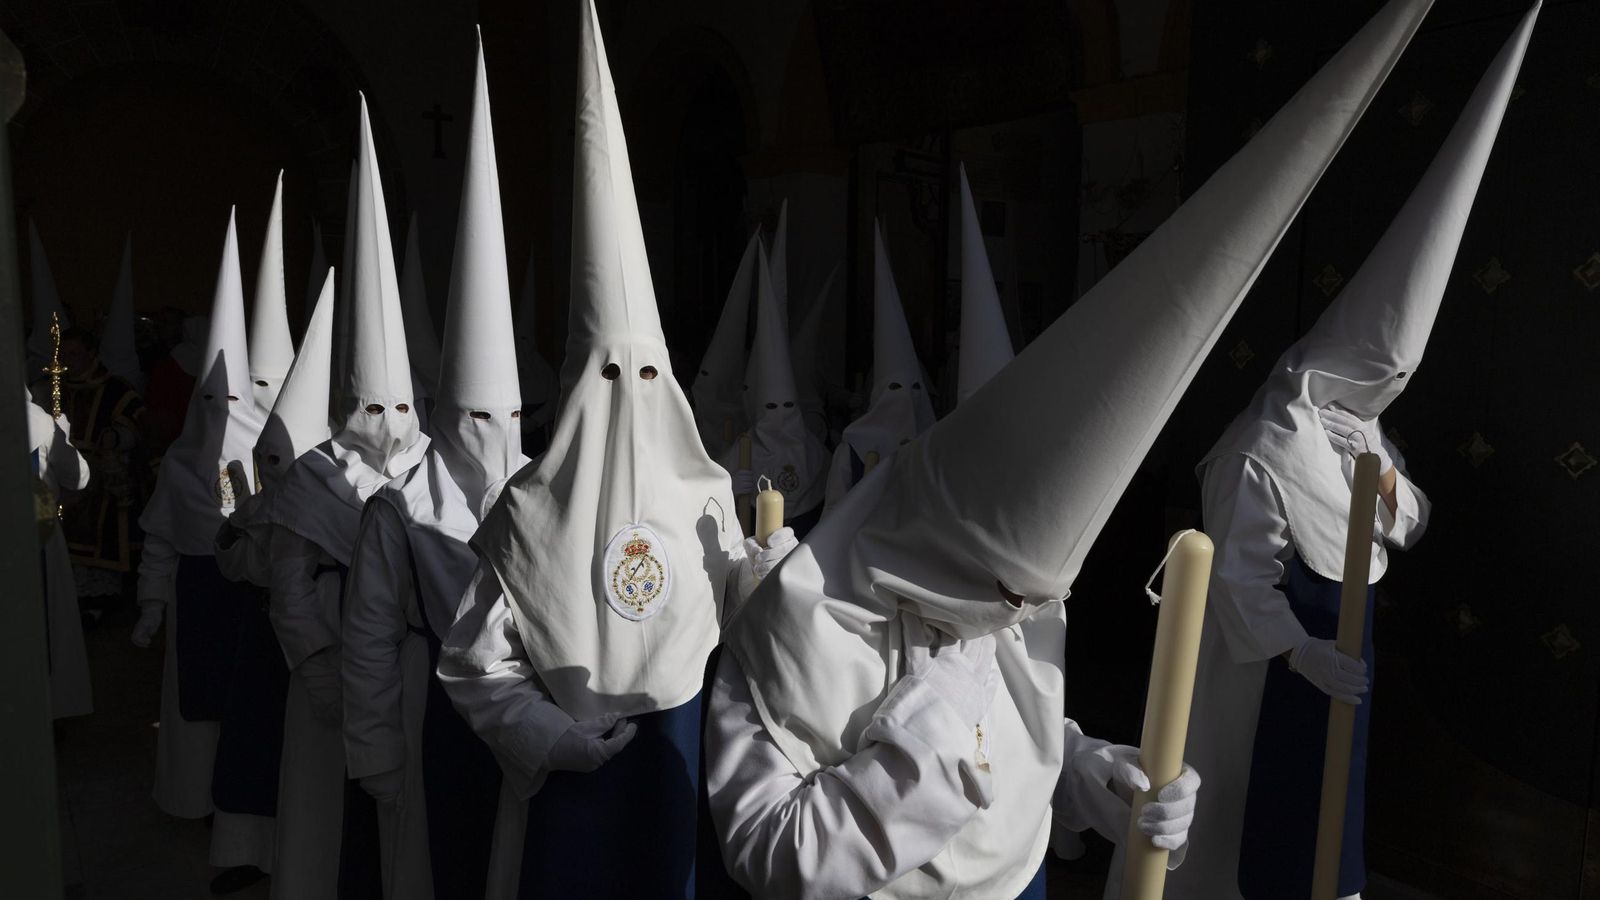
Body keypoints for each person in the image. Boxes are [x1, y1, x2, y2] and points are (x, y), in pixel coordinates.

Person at [705, 1, 1433, 894]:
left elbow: (1027, 736)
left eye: (1032, 599)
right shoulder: (778, 628)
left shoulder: (1017, 601)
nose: (1013, 614)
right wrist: (927, 741)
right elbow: (772, 855)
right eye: (1001, 592)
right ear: (936, 546)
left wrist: (1104, 780)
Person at [1170, 9, 1534, 899]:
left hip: (1351, 642)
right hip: (1281, 665)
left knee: (1341, 814)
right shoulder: (1262, 446)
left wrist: (1389, 482)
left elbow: (1405, 521)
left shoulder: (1360, 425)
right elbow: (1238, 580)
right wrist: (1297, 655)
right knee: (1281, 811)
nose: (1378, 399)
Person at [437, 5, 793, 896]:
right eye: (606, 374)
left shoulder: (707, 491)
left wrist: (764, 578)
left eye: (642, 374)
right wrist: (544, 733)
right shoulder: (524, 513)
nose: (625, 398)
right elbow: (474, 663)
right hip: (572, 773)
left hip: (688, 764)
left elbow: (745, 630)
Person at [343, 38, 527, 900]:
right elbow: (371, 636)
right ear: (448, 412)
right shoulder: (397, 504)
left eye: (514, 417)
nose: (498, 434)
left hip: (525, 711)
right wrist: (376, 747)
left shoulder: (541, 483)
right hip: (427, 708)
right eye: (482, 418)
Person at [265, 96, 431, 900]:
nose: (390, 427)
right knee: (325, 818)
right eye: (374, 408)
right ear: (346, 402)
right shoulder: (313, 473)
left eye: (401, 408)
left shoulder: (431, 464)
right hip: (328, 669)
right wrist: (324, 666)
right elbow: (290, 583)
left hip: (409, 673)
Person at [133, 211, 268, 829]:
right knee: (191, 709)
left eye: (232, 402)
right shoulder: (179, 466)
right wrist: (152, 606)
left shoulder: (270, 465)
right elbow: (160, 540)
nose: (222, 414)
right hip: (193, 596)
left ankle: (240, 817)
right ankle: (191, 799)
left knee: (248, 703)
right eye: (211, 401)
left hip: (251, 600)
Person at [208, 269, 336, 895]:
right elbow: (242, 560)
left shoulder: (320, 496)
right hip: (265, 641)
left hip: (307, 644)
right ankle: (245, 851)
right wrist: (234, 540)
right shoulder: (258, 479)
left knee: (300, 763)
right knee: (256, 750)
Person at [820, 223, 935, 512]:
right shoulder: (851, 452)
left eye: (914, 388)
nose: (906, 399)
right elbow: (833, 516)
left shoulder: (935, 445)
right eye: (894, 388)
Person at [720, 241, 829, 538]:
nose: (780, 416)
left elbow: (828, 486)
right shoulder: (745, 446)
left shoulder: (811, 446)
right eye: (771, 408)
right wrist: (732, 481)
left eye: (788, 407)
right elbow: (710, 483)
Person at [27, 385, 94, 720]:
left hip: (35, 527)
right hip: (36, 528)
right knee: (45, 614)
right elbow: (77, 477)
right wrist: (62, 435)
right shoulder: (37, 420)